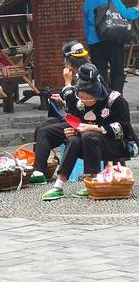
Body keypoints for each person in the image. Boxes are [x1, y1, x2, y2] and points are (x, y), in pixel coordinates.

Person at [42, 64, 138, 201]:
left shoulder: (115, 100)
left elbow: (125, 129)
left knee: (89, 135)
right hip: (91, 145)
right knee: (74, 140)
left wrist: (94, 128)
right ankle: (59, 185)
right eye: (82, 97)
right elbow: (79, 124)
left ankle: (94, 181)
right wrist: (74, 132)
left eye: (89, 98)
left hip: (117, 144)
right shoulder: (80, 104)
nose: (86, 101)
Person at [31, 41, 91, 184]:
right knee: (40, 128)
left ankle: (39, 171)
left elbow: (80, 107)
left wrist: (67, 84)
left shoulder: (85, 76)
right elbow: (77, 106)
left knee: (44, 132)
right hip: (77, 118)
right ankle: (38, 168)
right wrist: (62, 103)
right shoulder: (83, 73)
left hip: (85, 123)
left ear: (70, 63)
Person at [83, 0, 139, 93]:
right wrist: (137, 9)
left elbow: (86, 27)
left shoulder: (87, 1)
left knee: (100, 75)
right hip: (114, 38)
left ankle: (103, 100)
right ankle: (116, 99)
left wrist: (89, 43)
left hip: (95, 42)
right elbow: (125, 14)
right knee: (117, 72)